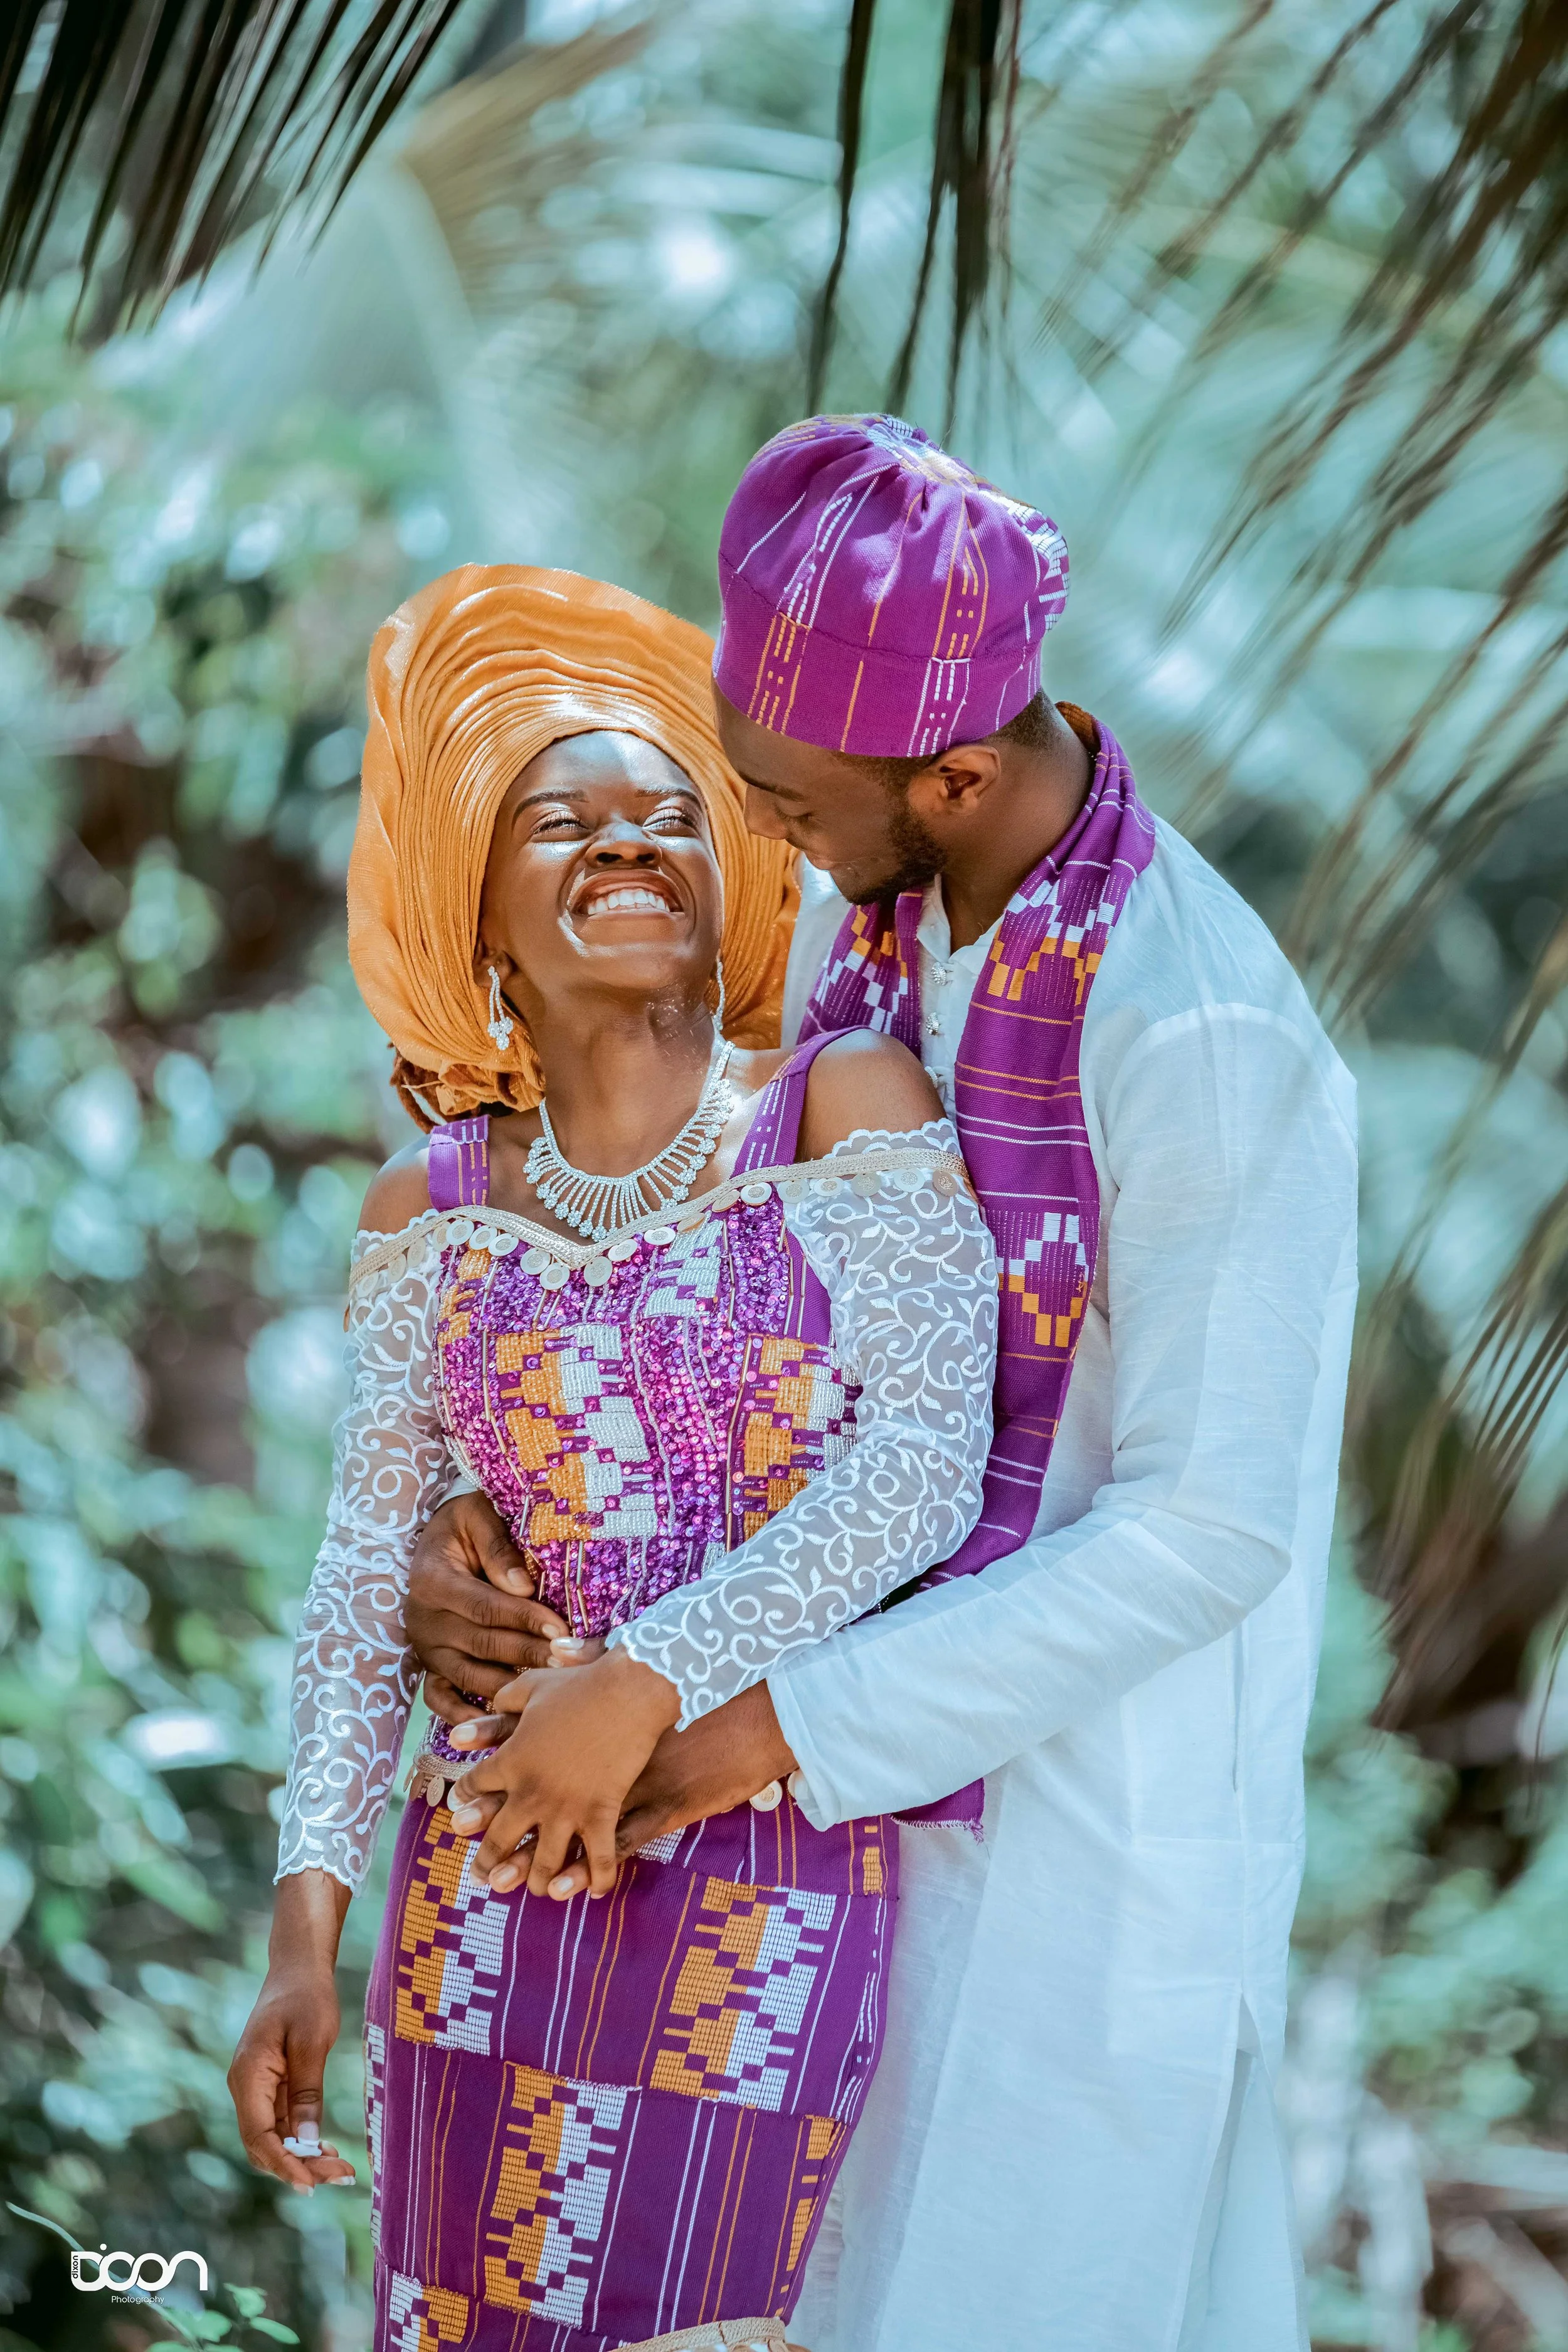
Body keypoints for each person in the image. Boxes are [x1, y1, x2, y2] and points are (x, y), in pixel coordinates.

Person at [409, 418, 1360, 2352]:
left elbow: (1209, 1527)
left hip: (1068, 1883)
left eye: (785, 797)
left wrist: (738, 1723)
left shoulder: (1201, 1037)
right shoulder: (883, 941)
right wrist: (473, 1524)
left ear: (952, 770)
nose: (756, 833)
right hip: (813, 1858)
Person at [226, 562, 1000, 2352]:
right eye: (562, 822)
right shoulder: (425, 1211)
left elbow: (923, 1468)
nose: (628, 842)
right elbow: (366, 1578)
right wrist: (301, 1932)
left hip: (761, 1859)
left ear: (731, 874)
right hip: (480, 1889)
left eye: (669, 817)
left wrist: (644, 1678)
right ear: (478, 917)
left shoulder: (840, 1110)